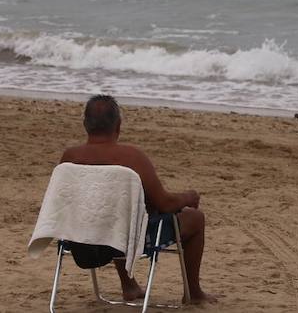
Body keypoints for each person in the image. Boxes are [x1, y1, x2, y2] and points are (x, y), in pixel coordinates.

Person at [60, 94, 217, 304]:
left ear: (85, 124)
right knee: (194, 218)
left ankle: (129, 285)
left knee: (112, 213)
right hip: (126, 240)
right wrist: (188, 197)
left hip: (81, 239)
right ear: (118, 125)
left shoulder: (70, 158)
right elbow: (166, 204)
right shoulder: (131, 157)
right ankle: (194, 294)